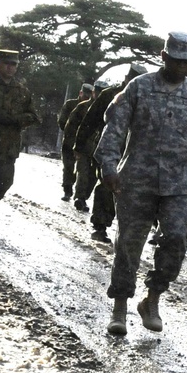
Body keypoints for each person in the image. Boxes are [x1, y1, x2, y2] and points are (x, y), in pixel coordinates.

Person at [96, 33, 187, 337]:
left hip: (178, 185)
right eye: (176, 60)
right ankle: (120, 307)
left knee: (176, 241)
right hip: (136, 180)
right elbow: (115, 129)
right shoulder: (139, 87)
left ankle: (152, 300)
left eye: (186, 62)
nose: (181, 67)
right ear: (164, 56)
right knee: (129, 245)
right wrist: (108, 166)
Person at [75, 66, 147, 243]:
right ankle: (100, 225)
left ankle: (121, 230)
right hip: (109, 147)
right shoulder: (109, 95)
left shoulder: (146, 98)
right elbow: (90, 120)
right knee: (107, 186)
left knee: (126, 191)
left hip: (132, 153)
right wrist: (79, 144)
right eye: (132, 77)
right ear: (127, 76)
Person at [0, 50, 39, 203]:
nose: (10, 67)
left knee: (4, 183)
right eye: (6, 63)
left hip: (8, 148)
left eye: (13, 64)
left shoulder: (22, 92)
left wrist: (16, 120)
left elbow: (33, 116)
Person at [68, 79, 107, 212]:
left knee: (93, 176)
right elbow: (72, 126)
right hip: (84, 147)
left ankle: (84, 197)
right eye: (98, 92)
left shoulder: (109, 109)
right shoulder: (83, 106)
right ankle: (79, 198)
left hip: (98, 149)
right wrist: (74, 145)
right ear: (93, 92)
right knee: (82, 173)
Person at [58, 83, 94, 201]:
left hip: (83, 145)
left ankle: (79, 194)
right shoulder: (70, 104)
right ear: (80, 93)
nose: (86, 98)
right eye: (85, 95)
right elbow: (62, 121)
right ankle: (67, 190)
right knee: (68, 167)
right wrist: (71, 133)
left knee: (81, 170)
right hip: (69, 142)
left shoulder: (92, 106)